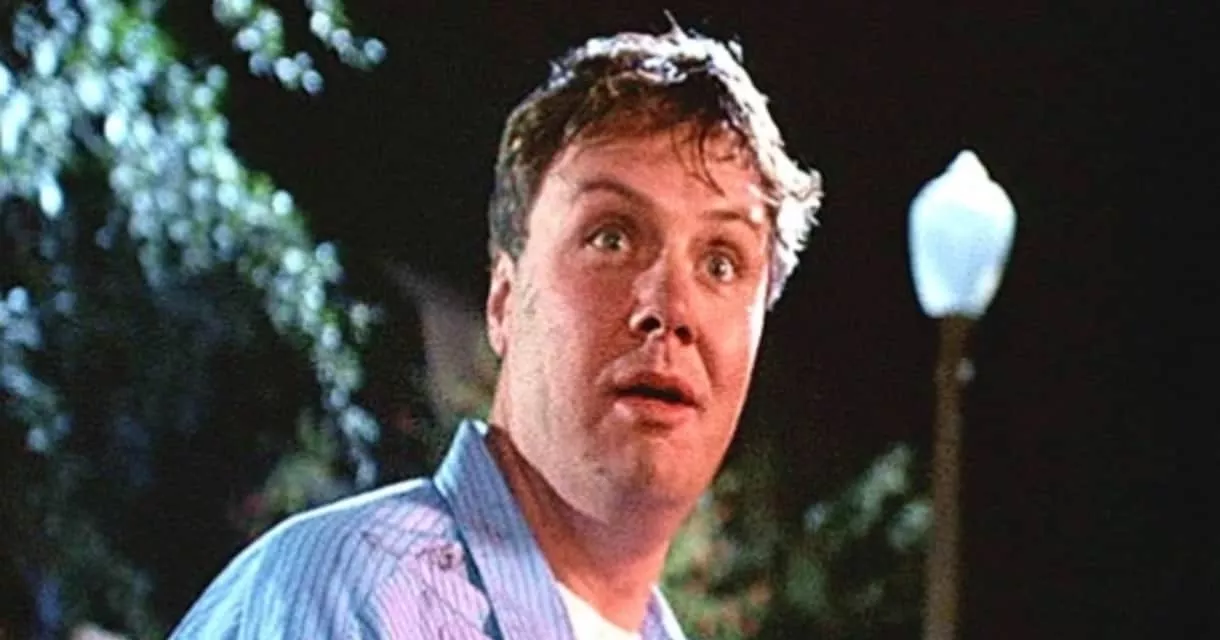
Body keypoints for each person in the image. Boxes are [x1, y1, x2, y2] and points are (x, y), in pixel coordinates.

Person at [172, 23, 822, 640]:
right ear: (505, 300)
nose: (670, 307)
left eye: (721, 263)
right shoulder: (356, 599)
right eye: (611, 237)